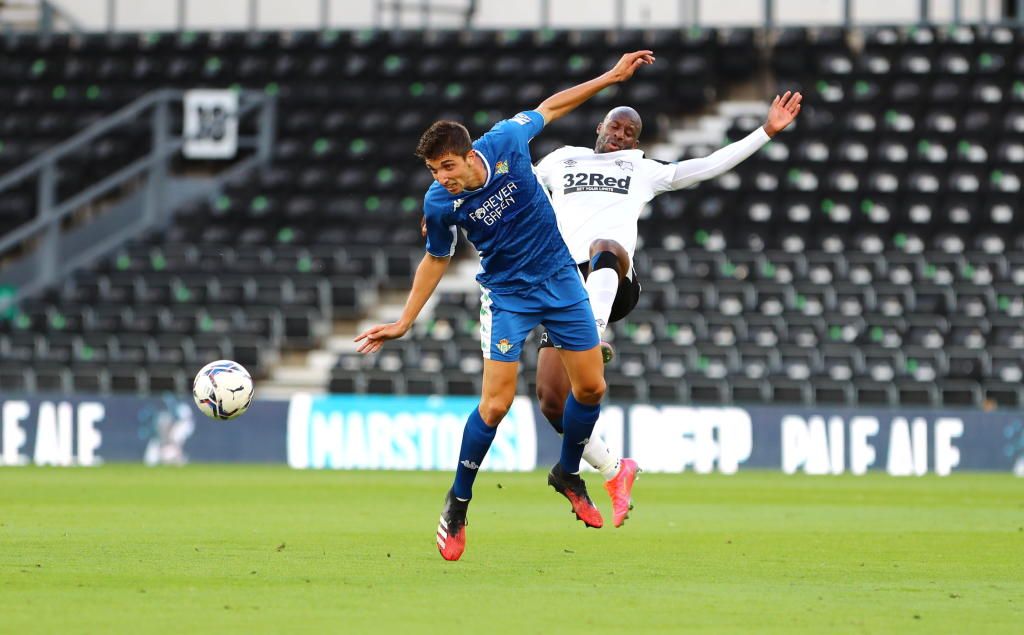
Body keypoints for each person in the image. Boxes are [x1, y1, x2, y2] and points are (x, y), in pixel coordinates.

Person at [355, 50, 657, 561]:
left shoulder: (506, 141)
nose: (440, 177)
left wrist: (611, 76)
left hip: (561, 279)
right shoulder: (439, 202)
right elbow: (434, 262)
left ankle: (568, 473)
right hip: (507, 296)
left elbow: (553, 106)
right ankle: (457, 505)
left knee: (590, 386)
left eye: (446, 166)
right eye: (432, 170)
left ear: (469, 154)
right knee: (494, 406)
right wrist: (405, 320)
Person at [532, 91, 803, 528]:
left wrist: (765, 132)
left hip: (611, 280)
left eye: (630, 132)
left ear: (637, 143)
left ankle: (591, 336)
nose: (621, 135)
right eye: (615, 127)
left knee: (606, 247)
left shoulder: (641, 169)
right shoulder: (561, 160)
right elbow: (508, 183)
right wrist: (454, 205)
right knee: (550, 400)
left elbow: (707, 166)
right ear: (598, 129)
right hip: (564, 286)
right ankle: (612, 469)